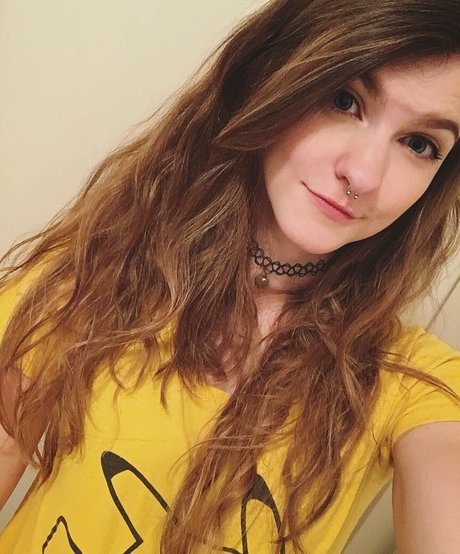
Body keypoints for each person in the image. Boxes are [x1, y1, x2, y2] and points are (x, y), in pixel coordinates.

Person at [1, 0, 460, 552]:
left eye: (419, 144)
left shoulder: (407, 383)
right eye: (344, 100)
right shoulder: (92, 276)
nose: (363, 174)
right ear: (270, 74)